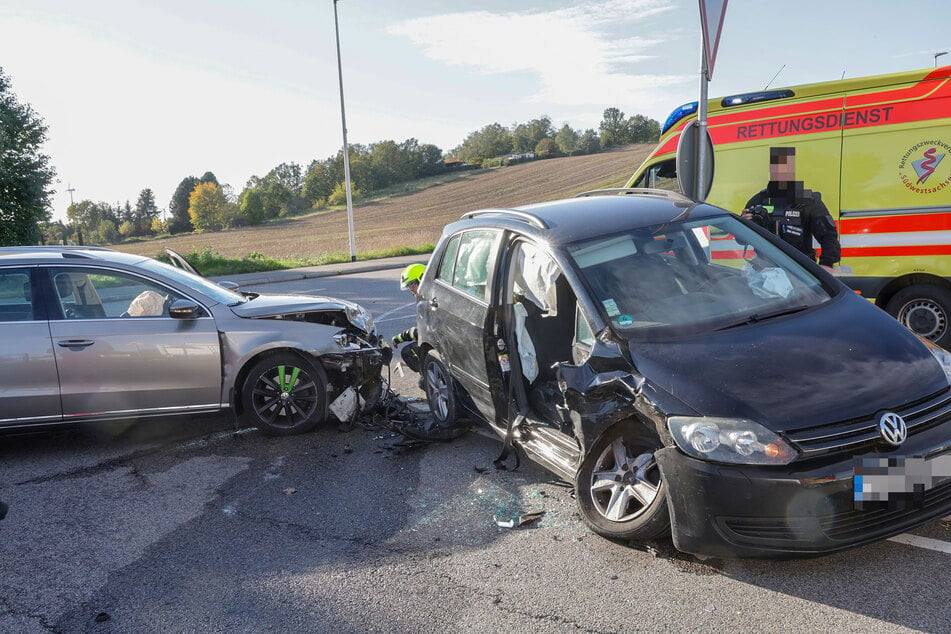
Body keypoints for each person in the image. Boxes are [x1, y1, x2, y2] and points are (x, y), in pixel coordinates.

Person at [742, 146, 840, 273]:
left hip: (800, 272)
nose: (780, 174)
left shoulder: (807, 200)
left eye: (785, 169)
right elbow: (741, 239)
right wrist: (745, 223)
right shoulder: (759, 200)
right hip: (764, 272)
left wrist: (827, 264)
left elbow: (828, 235)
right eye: (776, 169)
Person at [392, 263, 426, 373]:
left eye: (412, 284)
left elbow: (421, 332)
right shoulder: (426, 297)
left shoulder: (428, 302)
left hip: (441, 344)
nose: (411, 289)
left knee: (407, 352)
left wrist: (400, 337)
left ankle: (427, 377)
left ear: (422, 279)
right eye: (408, 286)